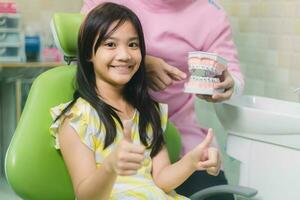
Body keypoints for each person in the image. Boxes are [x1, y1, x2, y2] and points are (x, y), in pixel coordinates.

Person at [50, 3, 221, 199]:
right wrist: (110, 166)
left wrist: (192, 161)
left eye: (133, 44)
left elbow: (162, 179)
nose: (124, 55)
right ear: (89, 52)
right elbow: (86, 196)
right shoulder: (78, 119)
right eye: (110, 44)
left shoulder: (149, 112)